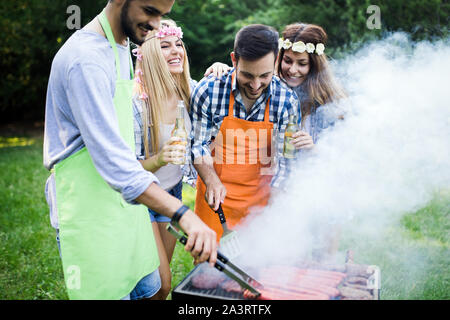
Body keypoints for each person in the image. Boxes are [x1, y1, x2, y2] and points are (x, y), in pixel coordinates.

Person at [43, 0, 217, 300]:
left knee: (153, 290)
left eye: (162, 15)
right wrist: (184, 215)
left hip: (128, 210)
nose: (156, 24)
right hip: (91, 214)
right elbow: (114, 163)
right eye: (150, 11)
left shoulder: (121, 45)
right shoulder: (86, 59)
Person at [132, 19, 230, 299]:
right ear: (147, 54)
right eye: (165, 45)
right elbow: (126, 169)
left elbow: (227, 98)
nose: (176, 51)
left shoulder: (191, 92)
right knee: (159, 284)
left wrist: (222, 73)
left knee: (161, 290)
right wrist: (160, 158)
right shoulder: (137, 103)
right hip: (142, 197)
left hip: (172, 194)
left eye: (178, 44)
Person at [190, 24, 298, 243]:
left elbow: (286, 164)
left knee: (259, 267)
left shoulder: (287, 102)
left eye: (265, 75)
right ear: (234, 60)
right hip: (214, 198)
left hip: (261, 202)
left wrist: (273, 212)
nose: (256, 85)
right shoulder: (208, 91)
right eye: (247, 75)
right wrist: (211, 180)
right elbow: (198, 145)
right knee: (208, 270)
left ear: (276, 62)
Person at [276, 23, 346, 260]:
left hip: (323, 190)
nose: (292, 69)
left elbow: (346, 155)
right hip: (282, 189)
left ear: (315, 65)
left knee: (321, 262)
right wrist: (220, 67)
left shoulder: (331, 100)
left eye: (302, 63)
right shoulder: (270, 88)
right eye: (287, 60)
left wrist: (315, 148)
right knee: (287, 259)